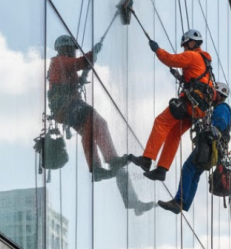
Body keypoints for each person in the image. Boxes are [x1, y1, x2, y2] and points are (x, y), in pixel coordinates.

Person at [48, 35, 153, 216]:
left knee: (98, 128)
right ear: (64, 49)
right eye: (71, 48)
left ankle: (132, 201)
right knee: (93, 119)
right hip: (65, 107)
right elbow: (82, 62)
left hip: (69, 106)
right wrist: (92, 53)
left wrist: (82, 73)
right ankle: (98, 166)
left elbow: (80, 66)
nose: (73, 51)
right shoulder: (59, 62)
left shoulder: (67, 64)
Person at [127, 29, 215, 182]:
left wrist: (157, 49)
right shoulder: (204, 62)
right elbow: (199, 82)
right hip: (199, 109)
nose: (184, 48)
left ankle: (147, 159)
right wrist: (182, 78)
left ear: (192, 43)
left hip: (190, 102)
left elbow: (169, 59)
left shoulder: (192, 56)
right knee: (174, 134)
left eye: (186, 45)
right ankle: (161, 170)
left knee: (161, 122)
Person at [157, 81, 231, 214]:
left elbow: (220, 123)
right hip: (213, 148)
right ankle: (184, 204)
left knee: (188, 168)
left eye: (215, 94)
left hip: (209, 145)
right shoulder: (217, 109)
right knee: (195, 173)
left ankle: (179, 201)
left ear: (219, 95)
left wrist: (212, 130)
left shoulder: (222, 108)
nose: (212, 97)